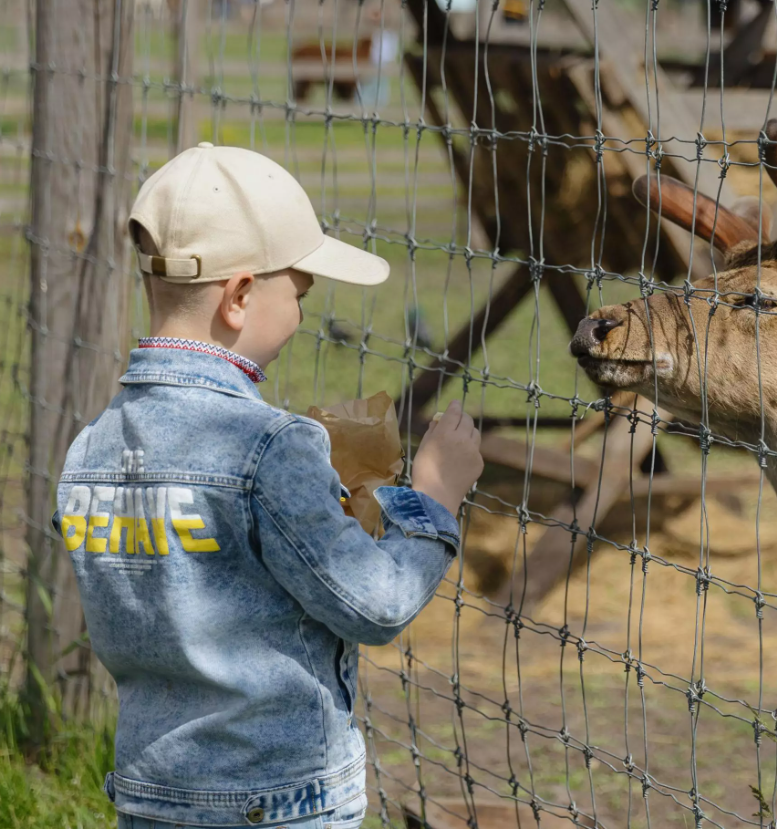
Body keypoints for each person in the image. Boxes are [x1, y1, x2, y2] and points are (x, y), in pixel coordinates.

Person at [53, 142, 483, 829]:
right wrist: (432, 497)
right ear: (241, 295)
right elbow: (375, 606)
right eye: (300, 293)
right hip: (279, 804)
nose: (304, 313)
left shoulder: (90, 449)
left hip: (151, 790)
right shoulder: (271, 450)